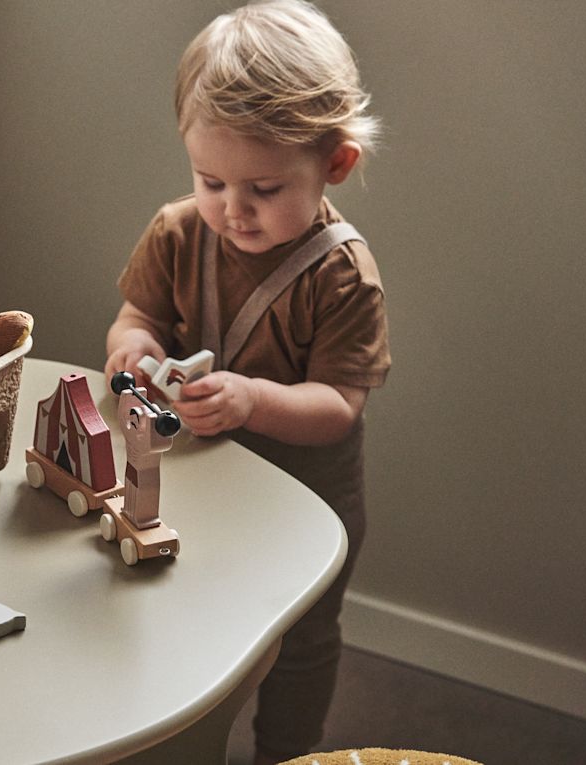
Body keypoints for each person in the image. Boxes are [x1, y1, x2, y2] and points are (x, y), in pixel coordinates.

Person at [103, 2, 390, 762]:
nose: (233, 210)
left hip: (307, 499)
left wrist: (250, 400)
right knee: (191, 615)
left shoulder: (341, 275)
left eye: (263, 189)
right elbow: (135, 318)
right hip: (203, 482)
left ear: (335, 165)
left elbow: (338, 406)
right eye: (210, 180)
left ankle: (285, 751)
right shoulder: (176, 232)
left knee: (300, 643)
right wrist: (132, 348)